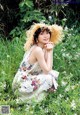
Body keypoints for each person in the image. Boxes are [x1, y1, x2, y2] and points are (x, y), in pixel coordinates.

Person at [12, 23, 63, 102]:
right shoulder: (37, 50)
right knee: (49, 77)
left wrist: (49, 50)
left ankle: (41, 97)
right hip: (21, 84)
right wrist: (49, 52)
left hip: (23, 80)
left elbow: (48, 67)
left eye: (47, 33)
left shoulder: (41, 47)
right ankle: (35, 99)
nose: (46, 36)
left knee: (52, 74)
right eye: (42, 34)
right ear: (36, 37)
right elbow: (46, 71)